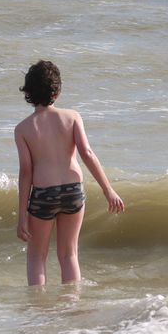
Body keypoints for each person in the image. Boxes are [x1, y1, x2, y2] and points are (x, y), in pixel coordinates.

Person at [14, 60, 124, 286]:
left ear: (29, 92)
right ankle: (72, 308)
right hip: (73, 191)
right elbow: (87, 154)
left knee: (37, 256)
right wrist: (108, 190)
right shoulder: (72, 116)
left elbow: (26, 172)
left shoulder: (23, 129)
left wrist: (22, 215)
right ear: (57, 90)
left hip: (44, 194)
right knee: (69, 255)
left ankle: (39, 309)